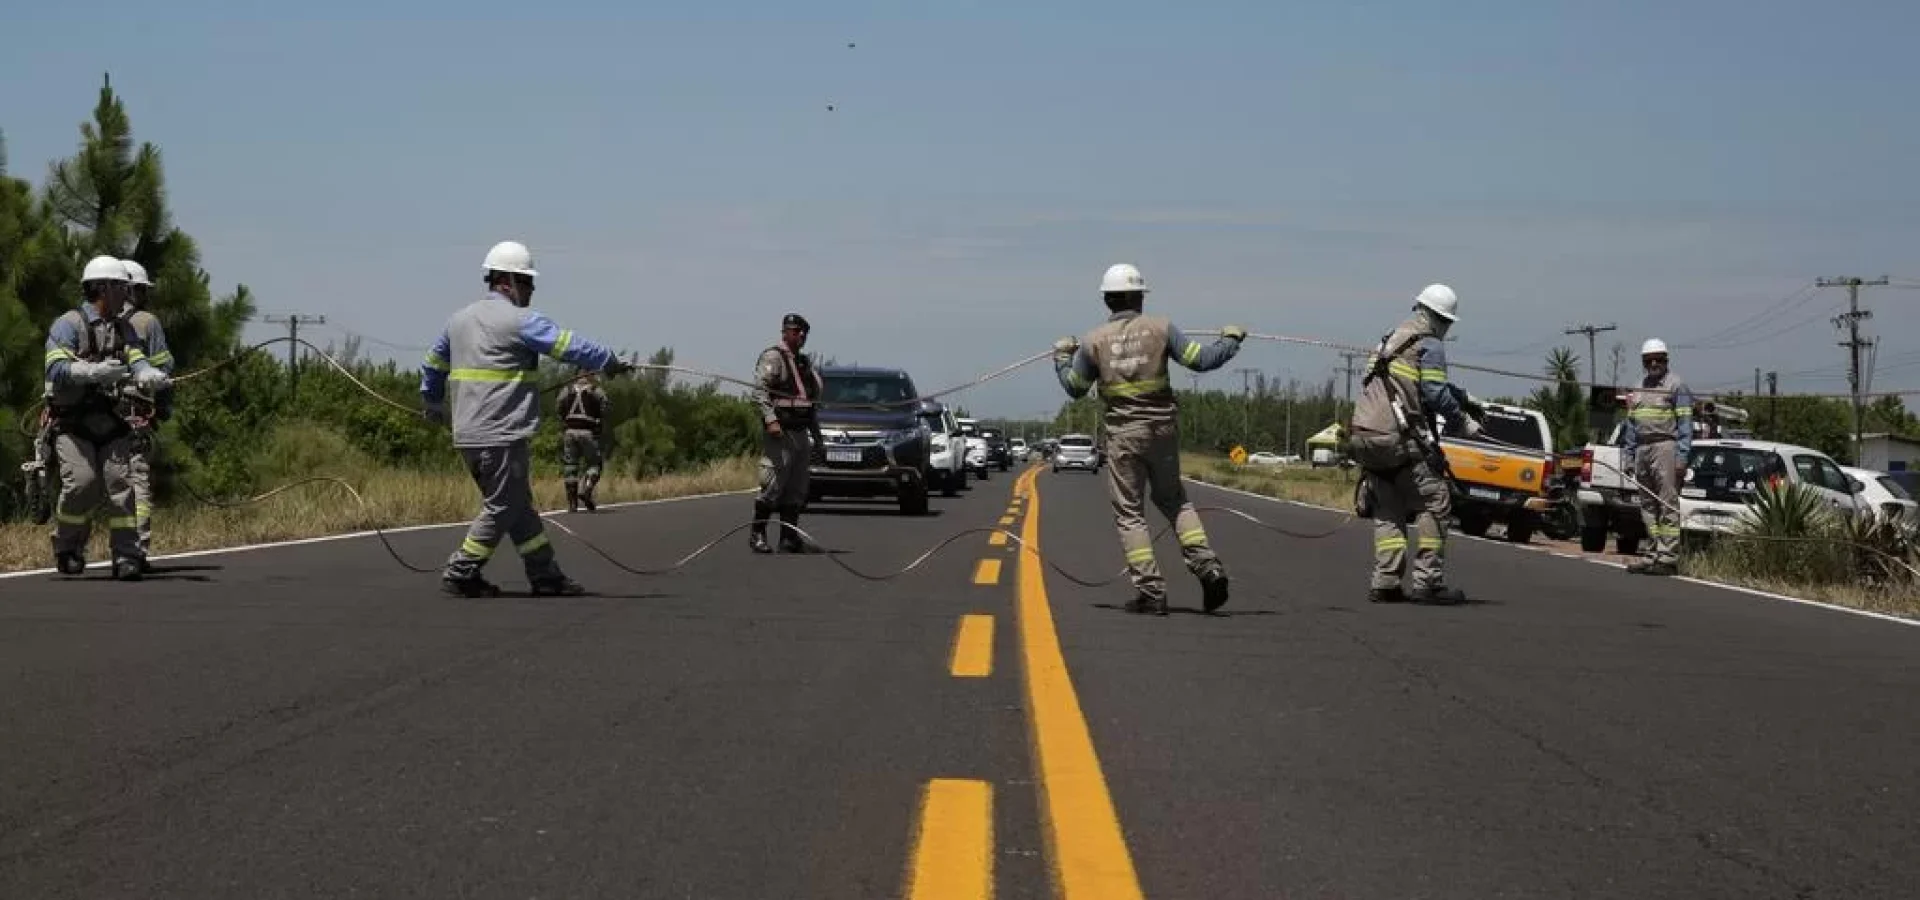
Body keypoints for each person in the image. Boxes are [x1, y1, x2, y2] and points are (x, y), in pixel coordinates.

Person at [420, 240, 632, 598]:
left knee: (517, 507)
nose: (532, 290)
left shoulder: (457, 321)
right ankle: (462, 569)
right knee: (503, 506)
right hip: (501, 434)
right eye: (528, 282)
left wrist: (432, 403)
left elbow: (433, 366)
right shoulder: (520, 321)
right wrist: (608, 360)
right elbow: (568, 345)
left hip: (468, 436)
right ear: (507, 281)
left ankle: (544, 573)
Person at [1052, 263, 1243, 615]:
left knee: (1130, 514)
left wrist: (1062, 357)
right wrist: (1230, 340)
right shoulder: (1162, 328)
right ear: (1140, 297)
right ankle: (1208, 567)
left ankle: (1151, 591)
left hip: (1124, 436)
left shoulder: (1093, 341)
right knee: (1175, 501)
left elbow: (1075, 388)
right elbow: (1201, 360)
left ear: (1107, 299)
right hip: (1163, 431)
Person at [1348, 284, 1483, 605]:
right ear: (1440, 319)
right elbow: (1433, 392)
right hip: (1399, 436)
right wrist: (1463, 420)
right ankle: (1429, 582)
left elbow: (1405, 381)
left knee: (1388, 508)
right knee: (1435, 502)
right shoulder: (1430, 344)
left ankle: (1385, 582)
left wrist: (1462, 397)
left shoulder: (1390, 339)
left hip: (1364, 436)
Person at [42, 255, 170, 579]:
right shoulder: (67, 325)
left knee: (121, 485)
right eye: (120, 288)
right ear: (101, 289)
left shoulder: (123, 328)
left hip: (113, 421)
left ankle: (127, 555)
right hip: (72, 424)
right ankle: (68, 547)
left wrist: (148, 375)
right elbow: (55, 368)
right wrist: (92, 372)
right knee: (82, 484)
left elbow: (137, 359)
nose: (126, 295)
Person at [749, 312, 825, 553]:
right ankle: (758, 534)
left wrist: (819, 438)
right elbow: (760, 391)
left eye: (804, 332)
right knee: (773, 485)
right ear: (785, 332)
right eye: (796, 331)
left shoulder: (804, 364)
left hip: (801, 432)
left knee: (797, 487)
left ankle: (788, 536)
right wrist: (771, 420)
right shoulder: (774, 357)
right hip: (781, 433)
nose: (801, 335)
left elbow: (810, 404)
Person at [119, 258, 175, 570]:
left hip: (99, 419)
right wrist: (164, 407)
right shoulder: (146, 323)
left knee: (90, 484)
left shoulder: (89, 321)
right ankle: (135, 550)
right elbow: (165, 369)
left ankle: (71, 548)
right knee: (135, 481)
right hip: (132, 415)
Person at [1622, 338, 1691, 576]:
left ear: (1665, 360)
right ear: (1643, 362)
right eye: (1649, 360)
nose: (1653, 363)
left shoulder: (1676, 386)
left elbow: (1685, 424)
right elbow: (1630, 425)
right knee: (1648, 505)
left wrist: (1682, 457)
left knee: (1666, 502)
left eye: (1658, 359)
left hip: (1665, 447)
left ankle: (1668, 557)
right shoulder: (1637, 387)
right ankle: (1652, 553)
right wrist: (1628, 457)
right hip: (1642, 448)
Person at [555, 371, 610, 513]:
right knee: (595, 463)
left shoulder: (567, 390)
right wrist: (599, 420)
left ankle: (572, 504)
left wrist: (564, 419)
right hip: (588, 432)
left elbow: (559, 405)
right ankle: (587, 487)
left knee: (570, 467)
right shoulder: (595, 390)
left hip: (569, 432)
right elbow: (606, 405)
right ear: (589, 377)